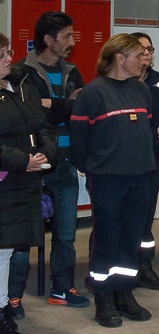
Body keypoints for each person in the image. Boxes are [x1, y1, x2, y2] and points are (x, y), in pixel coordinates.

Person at [70, 33, 155, 328]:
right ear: (119, 59)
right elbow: (79, 140)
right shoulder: (93, 93)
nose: (144, 59)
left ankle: (125, 293)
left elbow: (148, 129)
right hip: (107, 179)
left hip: (140, 177)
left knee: (132, 238)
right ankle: (103, 297)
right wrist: (92, 167)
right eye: (138, 55)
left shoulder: (141, 90)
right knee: (106, 238)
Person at [9, 11, 88, 319]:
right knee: (22, 236)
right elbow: (30, 115)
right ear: (48, 40)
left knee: (66, 233)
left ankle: (63, 287)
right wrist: (64, 106)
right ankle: (12, 297)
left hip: (67, 164)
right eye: (66, 36)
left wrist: (53, 106)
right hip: (35, 164)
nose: (72, 41)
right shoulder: (21, 72)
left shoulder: (72, 70)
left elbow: (80, 110)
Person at [0, 32, 58, 334]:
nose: (10, 58)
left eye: (8, 51)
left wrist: (46, 153)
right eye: (1, 55)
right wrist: (22, 160)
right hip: (8, 179)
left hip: (25, 183)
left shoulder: (22, 85)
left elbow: (42, 124)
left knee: (8, 251)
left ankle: (5, 309)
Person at [130, 32, 159, 290]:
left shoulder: (156, 82)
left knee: (146, 215)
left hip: (150, 154)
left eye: (150, 49)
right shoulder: (114, 81)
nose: (147, 54)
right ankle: (123, 268)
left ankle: (145, 266)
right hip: (123, 157)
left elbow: (154, 114)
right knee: (122, 217)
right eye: (141, 49)